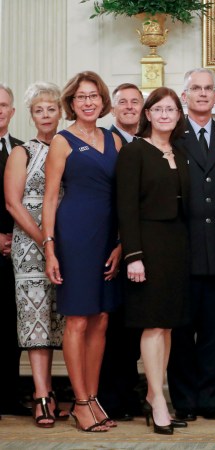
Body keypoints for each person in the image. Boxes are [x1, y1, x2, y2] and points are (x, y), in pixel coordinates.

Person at [42, 71, 122, 432]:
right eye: (81, 97)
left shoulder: (114, 140)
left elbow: (123, 196)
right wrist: (50, 247)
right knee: (77, 319)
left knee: (101, 318)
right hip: (74, 236)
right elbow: (49, 199)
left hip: (108, 238)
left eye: (94, 96)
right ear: (71, 103)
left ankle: (92, 397)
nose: (88, 102)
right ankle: (80, 402)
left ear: (102, 101)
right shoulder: (62, 141)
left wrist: (121, 242)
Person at [116, 87, 190, 435]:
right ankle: (158, 399)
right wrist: (134, 256)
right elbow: (126, 208)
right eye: (158, 109)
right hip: (147, 246)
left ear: (178, 115)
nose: (164, 115)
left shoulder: (180, 151)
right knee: (153, 323)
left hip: (177, 245)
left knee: (168, 324)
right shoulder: (134, 152)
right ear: (147, 114)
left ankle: (153, 393)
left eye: (170, 109)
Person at [167, 68, 215, 422]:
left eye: (209, 88)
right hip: (183, 249)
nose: (203, 93)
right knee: (181, 333)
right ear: (185, 95)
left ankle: (209, 399)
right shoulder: (171, 136)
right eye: (196, 88)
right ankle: (184, 401)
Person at [4, 82, 66, 427]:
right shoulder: (22, 152)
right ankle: (42, 395)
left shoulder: (71, 146)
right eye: (39, 110)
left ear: (61, 112)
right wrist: (45, 239)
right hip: (31, 246)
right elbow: (13, 203)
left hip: (67, 244)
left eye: (51, 109)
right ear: (30, 115)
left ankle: (72, 394)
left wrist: (59, 240)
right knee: (36, 319)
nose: (45, 115)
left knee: (65, 320)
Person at [98, 83, 144, 422]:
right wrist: (118, 242)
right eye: (122, 102)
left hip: (141, 246)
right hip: (106, 244)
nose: (129, 107)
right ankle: (108, 398)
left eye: (135, 102)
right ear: (112, 109)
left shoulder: (151, 142)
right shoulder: (103, 142)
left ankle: (130, 394)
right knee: (109, 325)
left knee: (134, 325)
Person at [0, 82, 28, 419]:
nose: (0, 110)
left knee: (13, 325)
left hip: (19, 250)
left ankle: (8, 395)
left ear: (12, 111)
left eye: (4, 105)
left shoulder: (23, 149)